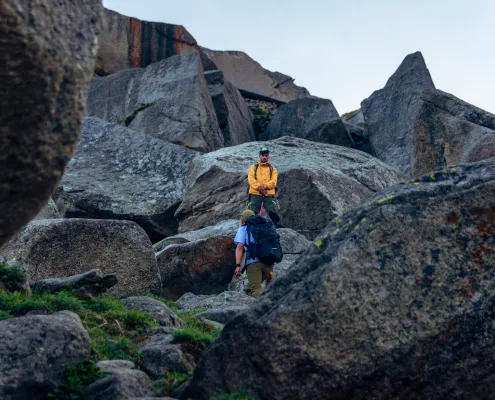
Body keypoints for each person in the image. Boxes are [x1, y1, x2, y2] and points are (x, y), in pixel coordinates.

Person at [234, 210, 274, 297]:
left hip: (254, 263)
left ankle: (261, 305)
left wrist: (237, 265)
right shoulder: (265, 227)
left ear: (243, 221)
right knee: (250, 288)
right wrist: (271, 270)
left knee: (255, 288)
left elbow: (240, 248)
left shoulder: (244, 229)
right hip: (269, 262)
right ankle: (245, 302)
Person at [247, 146, 281, 226]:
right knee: (252, 213)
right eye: (263, 155)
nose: (264, 157)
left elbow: (273, 182)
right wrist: (259, 187)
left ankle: (275, 228)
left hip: (268, 195)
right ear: (259, 156)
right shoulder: (253, 167)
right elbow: (251, 179)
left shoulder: (273, 169)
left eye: (266, 155)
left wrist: (264, 187)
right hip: (255, 193)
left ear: (268, 156)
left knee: (272, 212)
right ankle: (251, 228)